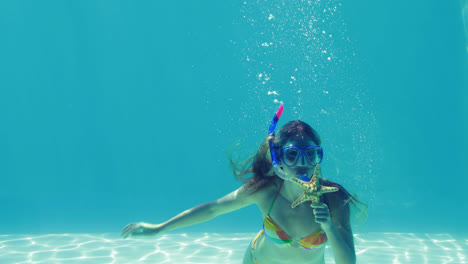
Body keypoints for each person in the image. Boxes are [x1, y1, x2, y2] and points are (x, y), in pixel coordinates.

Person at [121, 106, 366, 264]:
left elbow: (348, 262)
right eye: (292, 155)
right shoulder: (266, 191)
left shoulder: (333, 198)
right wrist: (159, 228)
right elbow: (213, 209)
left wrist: (328, 227)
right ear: (278, 157)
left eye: (310, 155)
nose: (303, 164)